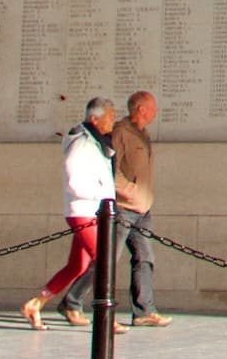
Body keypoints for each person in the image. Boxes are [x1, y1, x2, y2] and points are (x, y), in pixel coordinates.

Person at [57, 91, 173, 328]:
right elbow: (111, 168)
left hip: (142, 209)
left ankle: (143, 311)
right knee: (106, 260)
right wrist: (127, 190)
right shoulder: (120, 132)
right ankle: (73, 301)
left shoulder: (143, 134)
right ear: (140, 109)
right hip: (122, 208)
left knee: (145, 258)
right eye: (151, 107)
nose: (155, 112)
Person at [21, 98, 127, 334]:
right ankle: (106, 316)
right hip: (83, 210)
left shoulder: (97, 143)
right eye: (109, 116)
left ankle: (35, 303)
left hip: (92, 210)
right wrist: (99, 196)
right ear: (94, 119)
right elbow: (72, 179)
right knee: (104, 261)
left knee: (77, 265)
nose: (113, 121)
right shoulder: (82, 144)